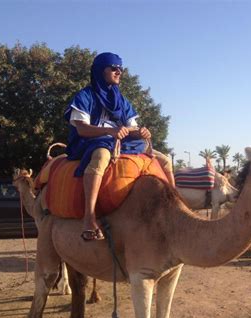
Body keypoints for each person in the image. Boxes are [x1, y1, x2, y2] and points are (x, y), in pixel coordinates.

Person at [64, 52, 174, 241]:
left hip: (119, 142)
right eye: (114, 68)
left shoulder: (120, 100)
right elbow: (81, 129)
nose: (119, 72)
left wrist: (141, 132)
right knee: (101, 158)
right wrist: (110, 132)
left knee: (164, 160)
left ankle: (174, 209)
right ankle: (89, 217)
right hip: (91, 142)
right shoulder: (85, 96)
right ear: (101, 70)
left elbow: (132, 127)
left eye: (120, 69)